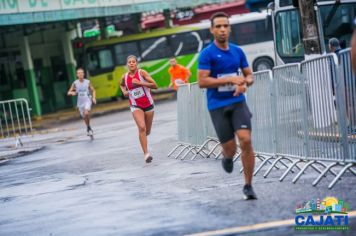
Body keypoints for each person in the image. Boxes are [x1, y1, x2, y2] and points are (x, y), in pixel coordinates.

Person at [198, 12, 257, 200]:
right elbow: (202, 81)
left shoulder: (237, 51)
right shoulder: (207, 54)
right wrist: (230, 79)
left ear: (230, 28)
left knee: (246, 140)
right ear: (212, 30)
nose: (222, 29)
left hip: (238, 102)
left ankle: (248, 185)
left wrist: (244, 83)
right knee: (230, 147)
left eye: (225, 26)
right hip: (217, 105)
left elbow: (250, 76)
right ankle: (228, 156)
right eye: (218, 27)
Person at [120, 55, 158, 163]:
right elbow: (121, 85)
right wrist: (124, 92)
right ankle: (146, 154)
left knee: (147, 131)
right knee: (142, 127)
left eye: (133, 62)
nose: (131, 63)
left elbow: (155, 85)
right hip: (135, 105)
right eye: (129, 62)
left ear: (136, 63)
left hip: (148, 105)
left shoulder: (142, 73)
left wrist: (140, 83)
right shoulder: (125, 77)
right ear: (127, 64)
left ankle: (143, 137)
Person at [67, 67, 96, 136]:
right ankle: (88, 127)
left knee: (86, 113)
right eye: (79, 73)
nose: (80, 74)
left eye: (81, 73)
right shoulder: (75, 83)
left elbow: (93, 90)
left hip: (87, 100)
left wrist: (94, 98)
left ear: (84, 74)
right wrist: (72, 93)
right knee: (84, 117)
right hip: (80, 102)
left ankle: (89, 128)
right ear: (77, 75)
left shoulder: (87, 82)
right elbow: (69, 92)